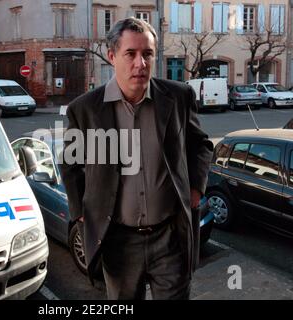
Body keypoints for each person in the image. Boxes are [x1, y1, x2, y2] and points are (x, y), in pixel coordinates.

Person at [60, 17, 213, 300]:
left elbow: (201, 145)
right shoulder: (85, 109)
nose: (140, 64)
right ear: (112, 56)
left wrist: (195, 190)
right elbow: (70, 165)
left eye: (148, 54)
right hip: (118, 241)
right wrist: (81, 212)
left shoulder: (178, 97)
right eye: (130, 54)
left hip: (170, 238)